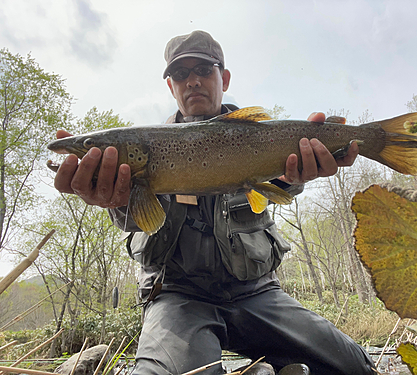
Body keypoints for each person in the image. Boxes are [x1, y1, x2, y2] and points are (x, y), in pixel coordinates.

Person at [54, 30, 375, 375]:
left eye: (203, 70)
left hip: (257, 293)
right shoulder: (144, 145)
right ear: (171, 87)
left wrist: (299, 176)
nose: (192, 81)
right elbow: (139, 221)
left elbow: (281, 183)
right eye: (180, 74)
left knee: (354, 367)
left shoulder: (263, 136)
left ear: (223, 78)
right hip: (177, 296)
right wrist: (112, 198)